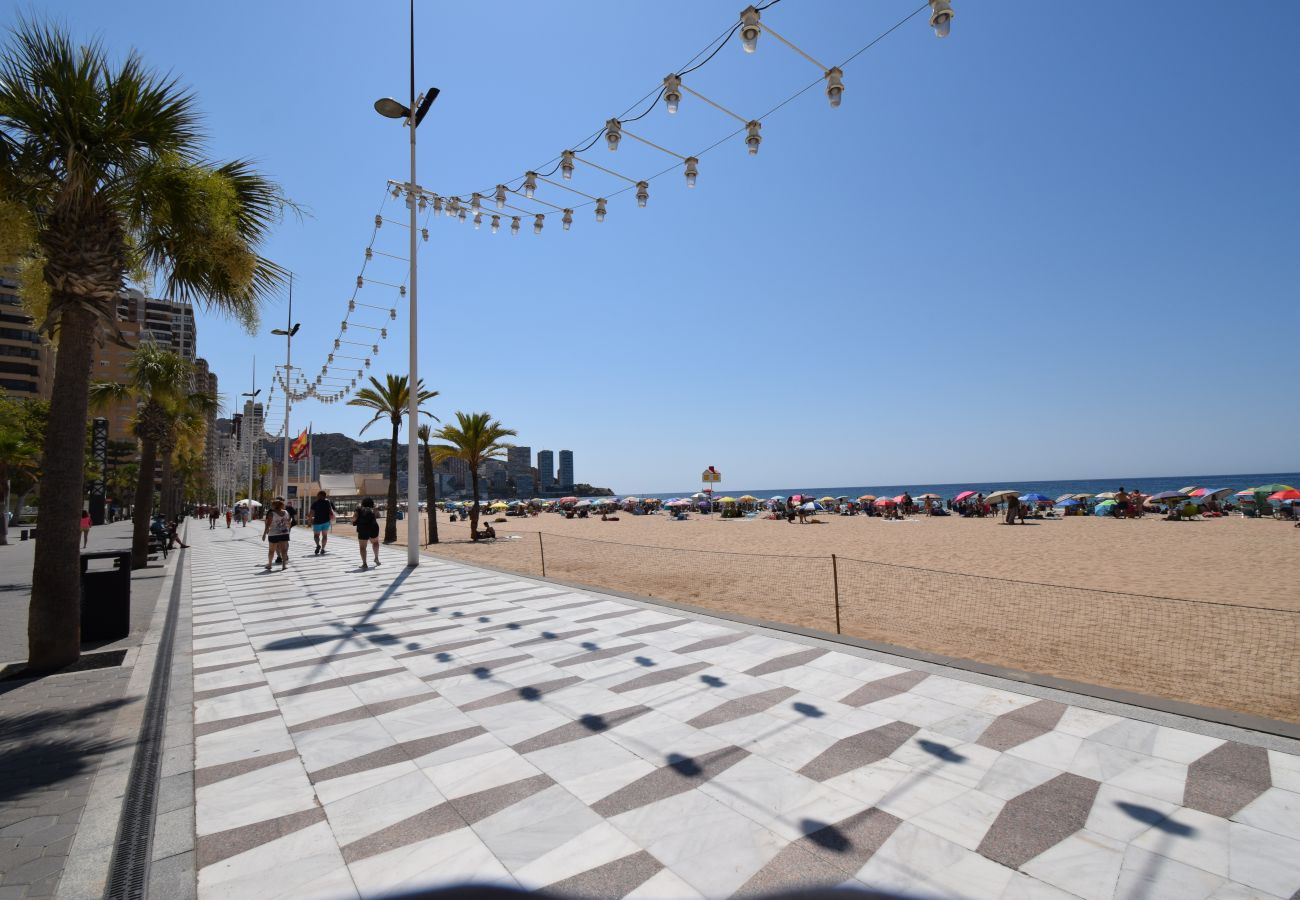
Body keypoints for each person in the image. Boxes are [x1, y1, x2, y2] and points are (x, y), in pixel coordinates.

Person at [261, 498, 292, 570]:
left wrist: (264, 534)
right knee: (284, 550)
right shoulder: (286, 512)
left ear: (274, 506)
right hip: (284, 533)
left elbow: (268, 525)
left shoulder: (271, 513)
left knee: (271, 550)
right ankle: (284, 565)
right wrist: (287, 528)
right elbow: (289, 523)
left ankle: (269, 564)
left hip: (273, 534)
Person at [354, 497, 380, 569]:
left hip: (363, 528)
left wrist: (352, 521)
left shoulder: (359, 508)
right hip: (373, 527)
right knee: (375, 543)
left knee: (362, 547)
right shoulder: (373, 509)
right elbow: (377, 515)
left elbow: (354, 517)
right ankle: (376, 558)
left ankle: (365, 563)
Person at [310, 490, 337, 555]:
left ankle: (318, 545)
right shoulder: (328, 502)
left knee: (316, 535)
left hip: (317, 522)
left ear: (319, 495)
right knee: (324, 535)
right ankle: (323, 549)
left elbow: (311, 513)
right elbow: (332, 510)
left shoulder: (315, 503)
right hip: (326, 521)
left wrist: (310, 521)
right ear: (325, 496)